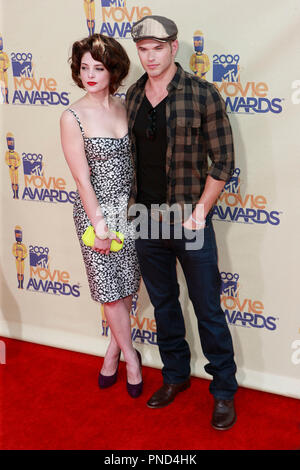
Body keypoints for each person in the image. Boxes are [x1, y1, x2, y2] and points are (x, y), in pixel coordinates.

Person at [126, 16, 238, 429]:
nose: (150, 56)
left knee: (207, 308)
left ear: (174, 48)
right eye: (143, 49)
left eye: (158, 47)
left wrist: (200, 212)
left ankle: (223, 390)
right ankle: (175, 376)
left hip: (188, 219)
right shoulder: (133, 96)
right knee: (164, 305)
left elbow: (224, 160)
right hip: (145, 219)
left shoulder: (202, 94)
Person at [60, 34, 142, 398]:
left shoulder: (127, 106)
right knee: (110, 292)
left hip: (131, 211)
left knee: (128, 287)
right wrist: (100, 225)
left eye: (99, 67)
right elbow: (81, 178)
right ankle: (132, 360)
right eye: (84, 68)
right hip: (97, 214)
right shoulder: (72, 115)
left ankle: (112, 352)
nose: (91, 74)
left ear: (114, 71)